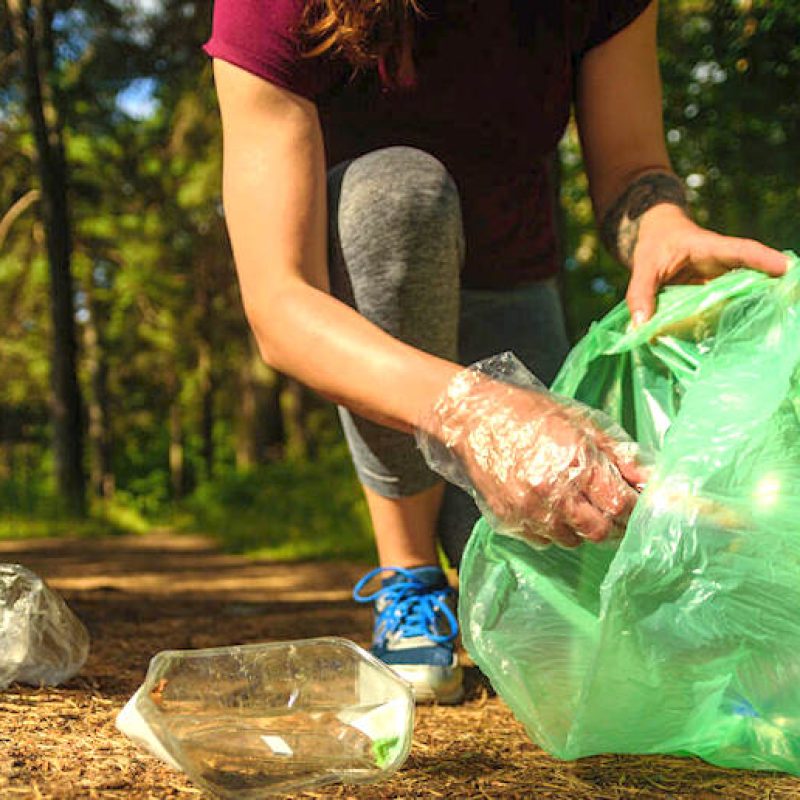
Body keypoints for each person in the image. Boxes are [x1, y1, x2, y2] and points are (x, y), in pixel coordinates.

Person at [203, 0, 787, 704]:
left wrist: (660, 223)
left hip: (512, 287)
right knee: (399, 195)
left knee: (569, 599)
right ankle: (409, 572)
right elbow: (280, 304)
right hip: (368, 304)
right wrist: (472, 413)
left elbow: (633, 168)